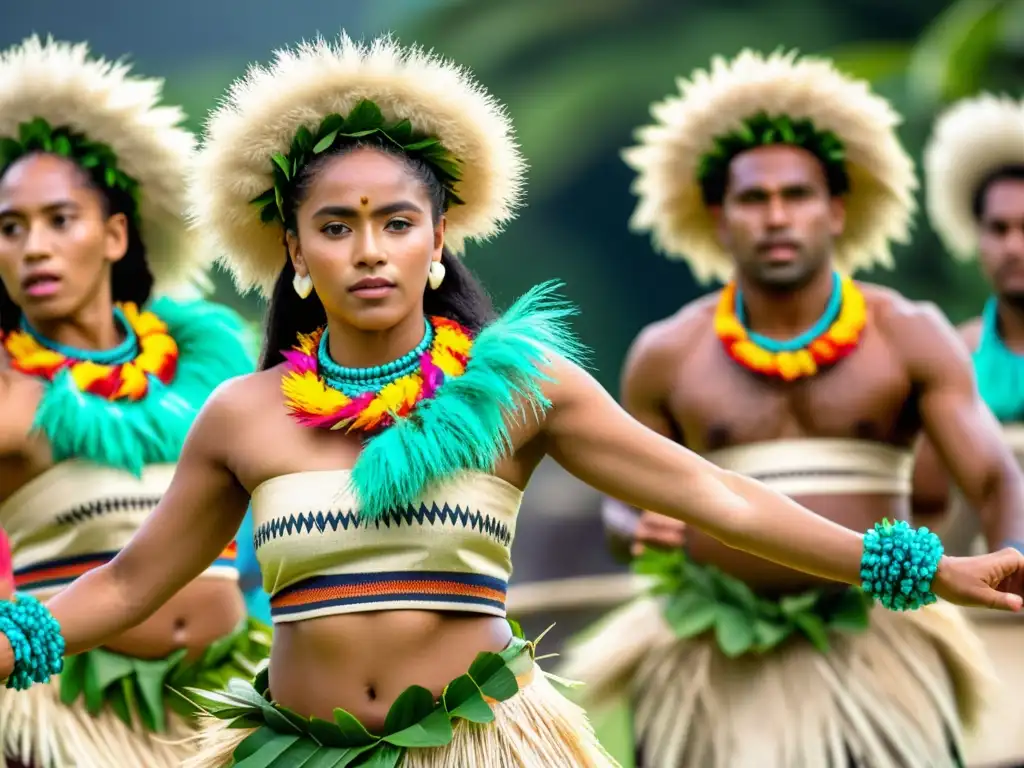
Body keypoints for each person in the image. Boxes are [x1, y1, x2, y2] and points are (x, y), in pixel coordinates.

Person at [0, 34, 1021, 768]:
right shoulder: (242, 417)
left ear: (438, 239)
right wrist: (20, 634)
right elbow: (130, 585)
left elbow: (719, 497)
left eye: (396, 222)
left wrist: (925, 569)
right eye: (337, 226)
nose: (369, 250)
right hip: (293, 751)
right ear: (295, 252)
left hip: (485, 745)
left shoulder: (521, 390)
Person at [558, 50, 1024, 768]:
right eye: (753, 198)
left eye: (797, 194)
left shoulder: (908, 332)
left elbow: (993, 478)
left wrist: (1016, 554)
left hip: (881, 639)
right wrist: (632, 525)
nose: (777, 216)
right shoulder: (667, 352)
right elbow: (623, 502)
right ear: (718, 217)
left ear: (836, 209)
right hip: (712, 646)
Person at [0, 36, 270, 767]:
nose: (34, 248)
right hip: (62, 718)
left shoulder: (214, 368)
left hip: (225, 706)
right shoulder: (7, 388)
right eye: (10, 228)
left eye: (61, 220)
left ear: (116, 234)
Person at [914, 93, 1024, 767]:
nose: (1015, 246)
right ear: (975, 236)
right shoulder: (946, 360)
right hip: (983, 630)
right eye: (999, 228)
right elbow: (922, 505)